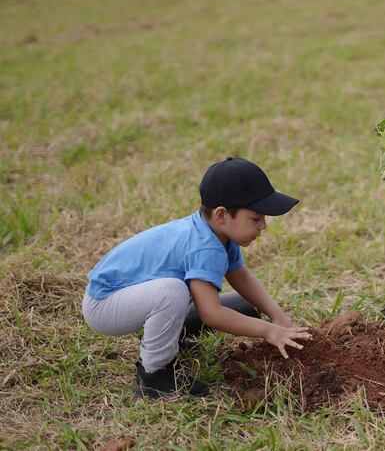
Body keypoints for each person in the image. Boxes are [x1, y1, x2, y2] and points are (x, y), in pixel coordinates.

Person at [82, 157, 312, 399]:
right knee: (174, 292)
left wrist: (277, 314)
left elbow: (239, 275)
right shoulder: (205, 247)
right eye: (255, 219)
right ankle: (153, 375)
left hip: (132, 296)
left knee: (235, 305)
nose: (263, 226)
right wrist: (268, 331)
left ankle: (172, 338)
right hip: (105, 305)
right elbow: (211, 314)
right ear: (221, 215)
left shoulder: (217, 232)